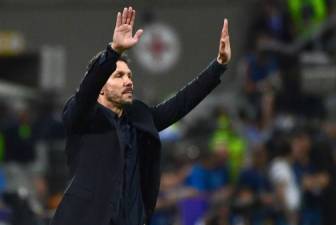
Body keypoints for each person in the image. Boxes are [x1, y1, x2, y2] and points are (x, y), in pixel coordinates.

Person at [50, 6, 231, 225]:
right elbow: (85, 92)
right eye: (118, 76)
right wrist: (113, 52)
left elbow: (180, 104)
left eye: (129, 75)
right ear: (101, 88)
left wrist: (218, 66)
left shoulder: (138, 116)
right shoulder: (83, 116)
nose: (128, 81)